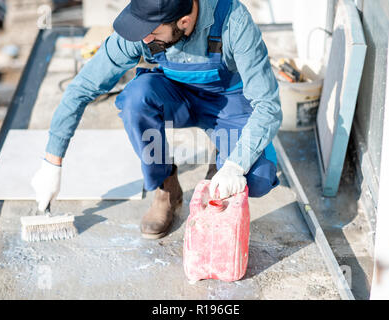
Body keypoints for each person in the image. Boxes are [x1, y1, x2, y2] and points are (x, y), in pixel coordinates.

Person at [31, 0, 282, 239]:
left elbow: (268, 105)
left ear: (184, 22)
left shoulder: (233, 21)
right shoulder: (145, 27)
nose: (144, 38)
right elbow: (82, 88)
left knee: (257, 180)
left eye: (151, 32)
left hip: (229, 101)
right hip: (176, 95)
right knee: (135, 100)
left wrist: (235, 166)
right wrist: (52, 162)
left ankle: (221, 155)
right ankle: (167, 188)